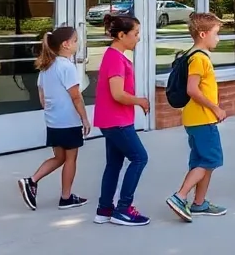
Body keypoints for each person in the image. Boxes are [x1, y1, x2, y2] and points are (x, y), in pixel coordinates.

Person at [18, 26, 91, 211]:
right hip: (69, 121)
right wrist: (84, 118)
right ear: (66, 45)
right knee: (71, 159)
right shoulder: (67, 66)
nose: (77, 44)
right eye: (75, 41)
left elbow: (42, 98)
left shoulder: (46, 67)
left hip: (53, 121)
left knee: (59, 157)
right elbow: (76, 96)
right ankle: (66, 197)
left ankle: (31, 181)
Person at [167, 13, 229, 220]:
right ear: (203, 34)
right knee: (210, 159)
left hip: (196, 119)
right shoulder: (200, 58)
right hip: (203, 119)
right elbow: (192, 90)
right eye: (216, 34)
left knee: (202, 161)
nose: (218, 38)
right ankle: (180, 196)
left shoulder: (192, 55)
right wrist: (216, 108)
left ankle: (199, 203)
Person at [93, 16, 151, 226]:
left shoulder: (113, 56)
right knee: (139, 158)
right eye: (135, 34)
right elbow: (117, 94)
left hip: (111, 120)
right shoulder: (116, 58)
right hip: (117, 121)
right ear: (121, 35)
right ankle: (123, 209)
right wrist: (140, 101)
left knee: (114, 164)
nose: (138, 38)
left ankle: (104, 209)